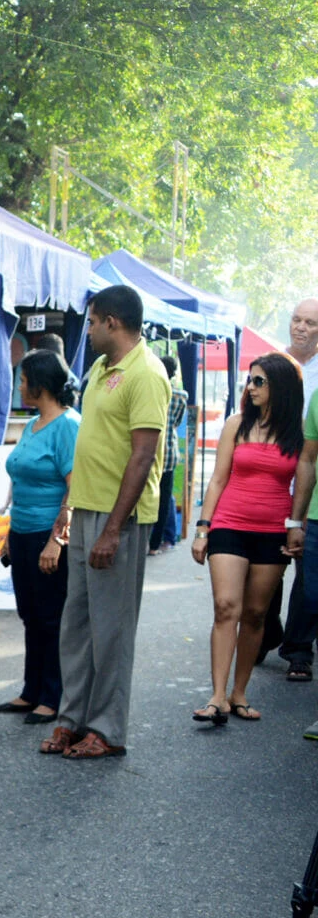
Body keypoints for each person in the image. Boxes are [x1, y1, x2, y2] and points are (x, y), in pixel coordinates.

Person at [41, 285, 165, 760]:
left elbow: (143, 454)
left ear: (112, 321)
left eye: (91, 322)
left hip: (121, 517)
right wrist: (68, 509)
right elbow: (92, 443)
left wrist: (114, 528)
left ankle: (108, 729)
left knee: (111, 630)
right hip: (87, 508)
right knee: (77, 625)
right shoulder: (100, 368)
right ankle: (72, 719)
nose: (87, 330)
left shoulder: (147, 373)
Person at [189, 352, 305, 722]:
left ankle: (239, 694)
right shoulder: (236, 425)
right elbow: (218, 478)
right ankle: (217, 696)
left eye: (259, 381)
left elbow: (304, 481)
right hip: (229, 523)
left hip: (272, 530)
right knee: (226, 607)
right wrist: (203, 528)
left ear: (280, 388)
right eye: (249, 380)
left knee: (256, 614)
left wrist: (295, 525)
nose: (250, 387)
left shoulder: (298, 435)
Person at [0, 350, 80, 723]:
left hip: (47, 535)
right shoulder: (33, 424)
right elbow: (21, 481)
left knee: (50, 617)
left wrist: (56, 541)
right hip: (23, 532)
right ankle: (31, 690)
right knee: (29, 614)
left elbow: (75, 490)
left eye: (24, 380)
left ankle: (52, 695)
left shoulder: (68, 425)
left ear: (40, 383)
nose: (20, 386)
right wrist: (11, 530)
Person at [275, 298, 318, 685]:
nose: (301, 327)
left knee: (307, 575)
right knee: (267, 565)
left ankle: (298, 649)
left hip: (308, 484)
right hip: (271, 478)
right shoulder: (273, 365)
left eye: (310, 322)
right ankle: (265, 630)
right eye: (296, 320)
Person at [152, 355, 187, 554]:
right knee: (164, 500)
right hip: (169, 451)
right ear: (174, 374)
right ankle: (156, 544)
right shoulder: (180, 396)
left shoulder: (151, 390)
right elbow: (176, 422)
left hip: (149, 452)